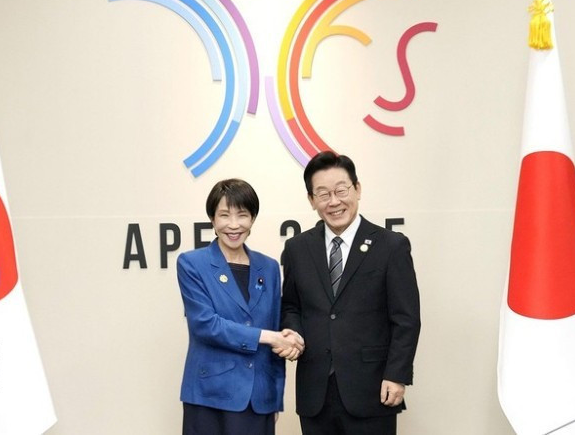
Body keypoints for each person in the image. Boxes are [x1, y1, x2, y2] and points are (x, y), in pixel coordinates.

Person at [281, 152, 421, 435]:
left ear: (357, 189)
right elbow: (291, 306)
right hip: (315, 390)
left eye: (341, 190)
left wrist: (397, 375)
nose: (334, 201)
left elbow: (406, 318)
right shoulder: (297, 248)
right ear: (311, 200)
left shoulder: (391, 246)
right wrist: (293, 334)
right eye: (323, 194)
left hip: (371, 388)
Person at [177, 178, 303, 435]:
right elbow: (205, 325)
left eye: (242, 215)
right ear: (212, 219)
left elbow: (275, 323)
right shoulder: (192, 264)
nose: (233, 225)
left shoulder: (268, 267)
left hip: (258, 398)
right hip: (209, 396)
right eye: (224, 215)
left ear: (253, 219)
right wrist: (269, 337)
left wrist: (274, 398)